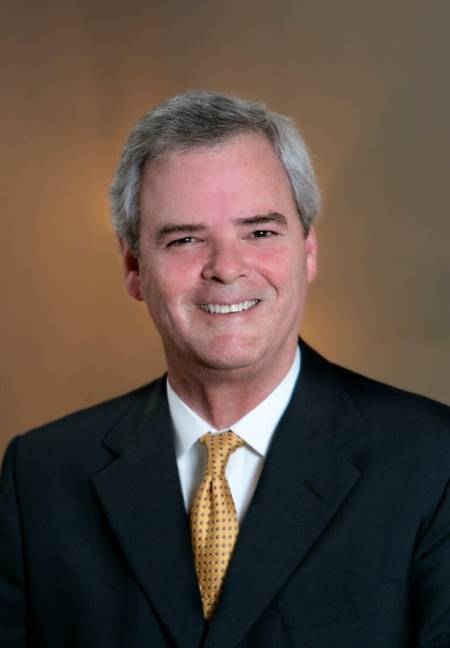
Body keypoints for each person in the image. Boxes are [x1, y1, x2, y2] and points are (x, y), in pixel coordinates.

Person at [1, 91, 449, 648]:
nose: (227, 269)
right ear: (134, 267)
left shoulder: (433, 460)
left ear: (307, 250)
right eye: (185, 239)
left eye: (259, 232)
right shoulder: (38, 476)